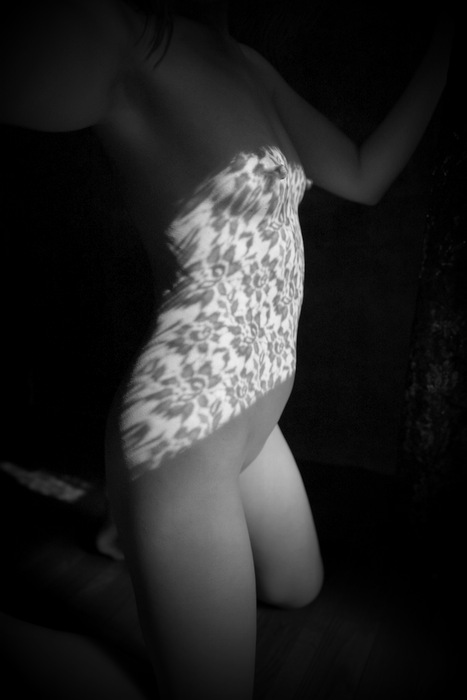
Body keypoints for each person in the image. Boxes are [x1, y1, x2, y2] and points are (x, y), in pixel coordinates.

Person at [1, 2, 453, 698]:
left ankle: (132, 532)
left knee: (297, 587)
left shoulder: (246, 63)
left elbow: (363, 176)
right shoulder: (121, 39)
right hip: (185, 427)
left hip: (254, 417)